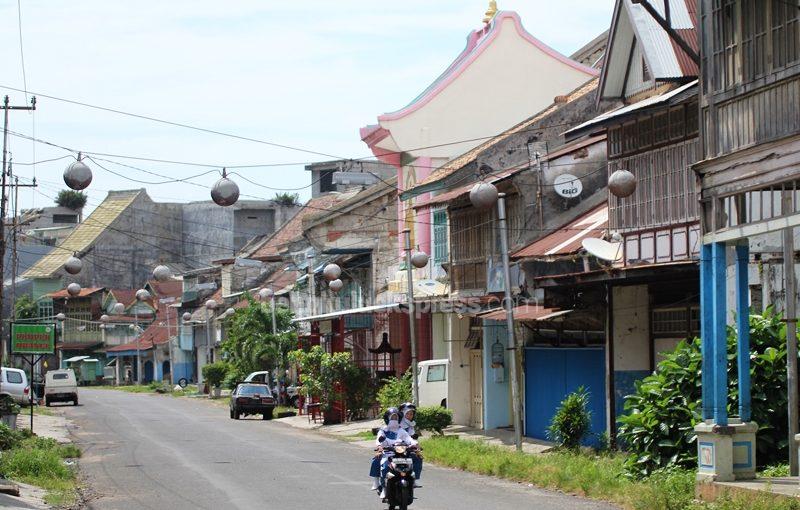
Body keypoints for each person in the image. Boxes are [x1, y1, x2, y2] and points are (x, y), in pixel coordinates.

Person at [371, 407, 417, 499]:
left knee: (412, 463)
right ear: (387, 418)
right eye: (392, 418)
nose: (394, 420)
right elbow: (379, 441)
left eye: (396, 418)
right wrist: (380, 447)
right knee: (383, 467)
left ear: (399, 419)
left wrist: (414, 444)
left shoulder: (401, 430)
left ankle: (412, 484)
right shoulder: (383, 430)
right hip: (388, 454)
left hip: (401, 454)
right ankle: (384, 488)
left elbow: (409, 439)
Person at [399, 402, 423, 484]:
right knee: (380, 461)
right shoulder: (397, 424)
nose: (409, 416)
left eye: (411, 414)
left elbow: (412, 438)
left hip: (408, 447)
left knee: (418, 457)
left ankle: (414, 479)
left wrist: (417, 446)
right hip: (396, 447)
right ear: (402, 414)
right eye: (407, 413)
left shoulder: (411, 425)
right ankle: (378, 482)